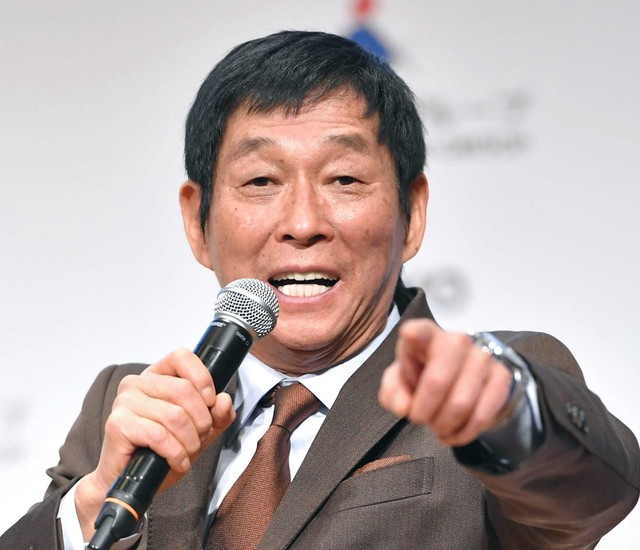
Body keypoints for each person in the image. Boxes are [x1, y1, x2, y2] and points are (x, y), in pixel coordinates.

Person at [1, 30, 638, 550]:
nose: (303, 223)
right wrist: (94, 501)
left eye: (344, 179)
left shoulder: (488, 387)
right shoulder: (126, 409)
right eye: (260, 181)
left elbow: (586, 497)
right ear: (197, 222)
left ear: (413, 213)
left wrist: (510, 413)